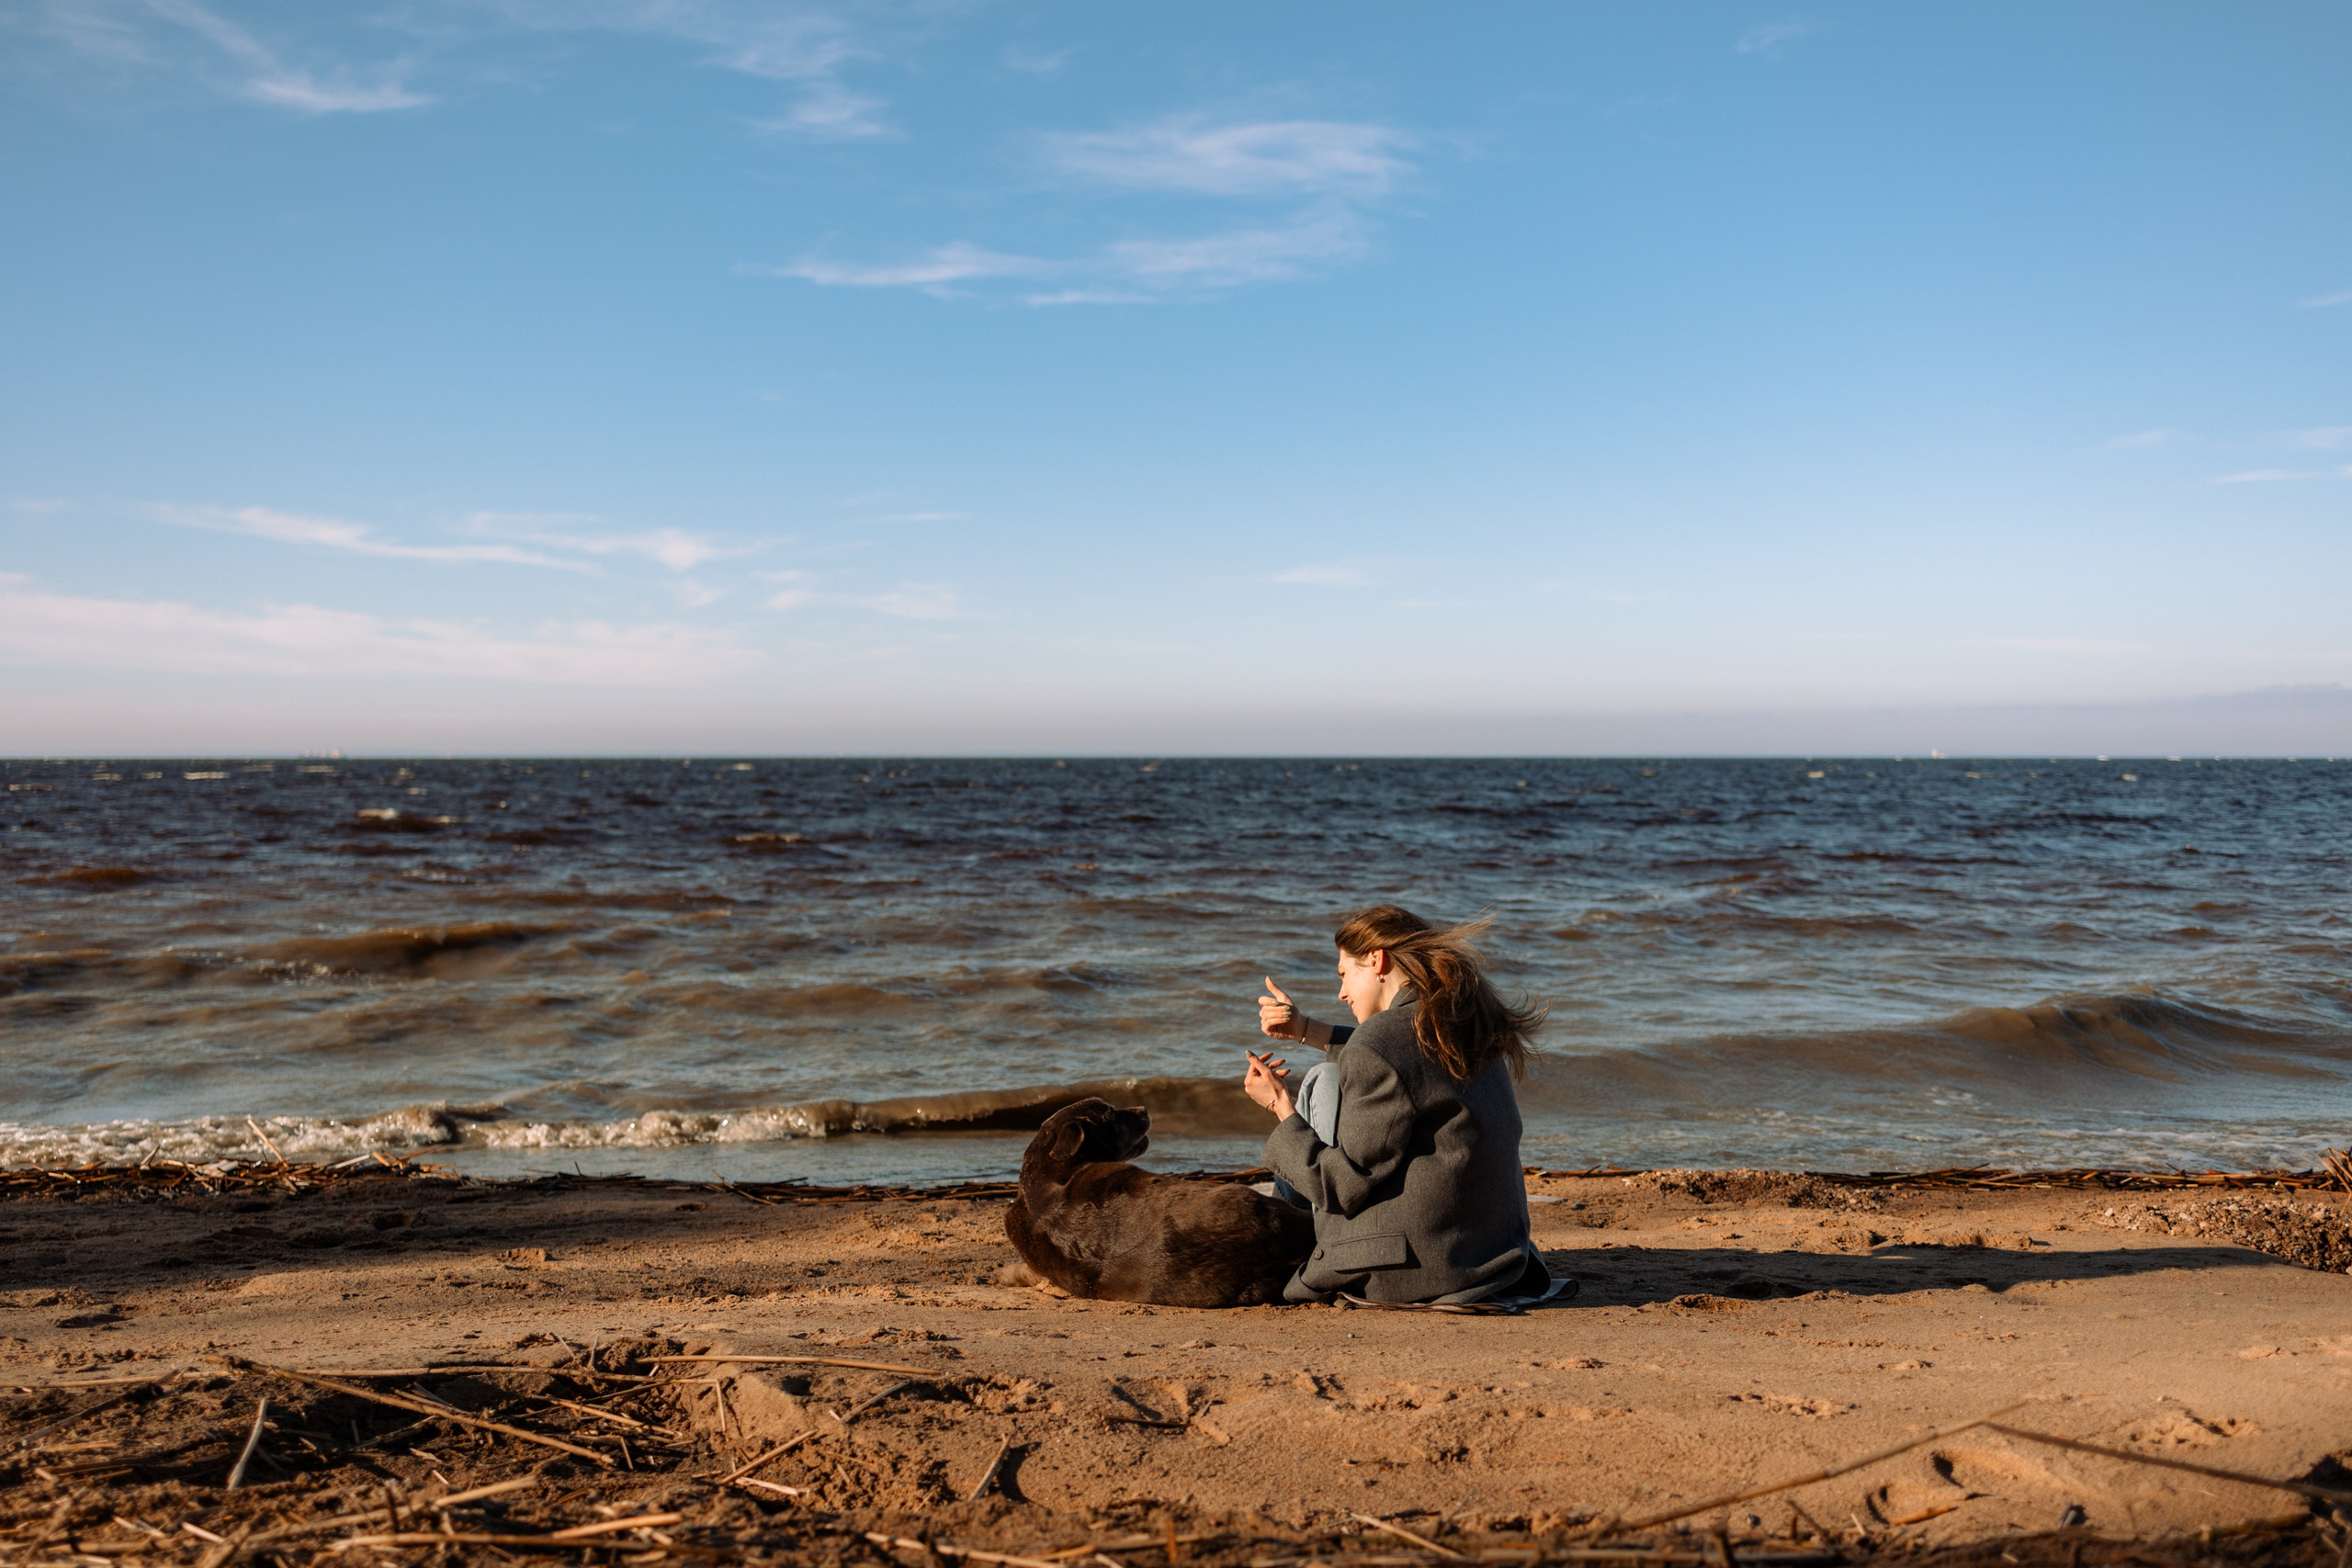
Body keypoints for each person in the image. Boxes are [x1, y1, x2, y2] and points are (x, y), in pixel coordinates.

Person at [1243, 904, 1557, 1307]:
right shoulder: (1463, 1020)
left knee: (1321, 1080)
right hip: (1492, 1253)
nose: (1341, 993)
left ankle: (1279, 1241)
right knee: (1329, 1076)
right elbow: (1396, 1056)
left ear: (1377, 960)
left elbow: (1340, 1185)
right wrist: (1304, 1029)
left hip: (1418, 1267)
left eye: (1344, 974)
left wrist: (1279, 1104)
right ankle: (1287, 1230)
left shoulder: (1382, 1039)